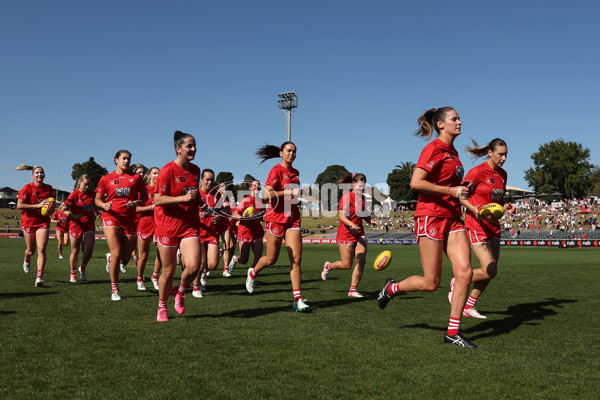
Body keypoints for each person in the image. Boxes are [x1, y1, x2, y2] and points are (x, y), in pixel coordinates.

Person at [376, 107, 477, 348]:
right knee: (431, 283)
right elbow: (416, 182)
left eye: (459, 118)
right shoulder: (433, 149)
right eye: (454, 119)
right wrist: (451, 190)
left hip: (452, 217)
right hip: (430, 217)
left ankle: (452, 332)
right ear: (441, 124)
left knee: (465, 273)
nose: (460, 122)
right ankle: (392, 287)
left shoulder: (453, 153)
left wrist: (463, 189)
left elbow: (449, 185)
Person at [447, 138, 515, 318]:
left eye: (506, 154)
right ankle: (457, 281)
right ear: (490, 153)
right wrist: (473, 209)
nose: (504, 158)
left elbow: (498, 201)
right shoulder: (477, 172)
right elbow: (461, 195)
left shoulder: (503, 175)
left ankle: (468, 307)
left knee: (491, 272)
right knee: (489, 269)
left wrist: (506, 207)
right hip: (476, 225)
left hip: (493, 225)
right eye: (500, 154)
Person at [246, 141, 309, 312]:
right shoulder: (275, 170)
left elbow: (293, 198)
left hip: (293, 218)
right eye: (289, 151)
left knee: (296, 259)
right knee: (271, 259)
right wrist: (290, 192)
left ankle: (297, 299)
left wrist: (302, 194)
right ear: (281, 153)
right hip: (275, 219)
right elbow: (266, 196)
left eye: (294, 151)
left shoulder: (295, 173)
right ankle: (252, 273)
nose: (292, 154)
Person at [154, 130, 202, 322]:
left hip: (189, 225)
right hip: (167, 226)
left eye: (194, 145)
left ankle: (180, 291)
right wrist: (183, 198)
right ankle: (162, 305)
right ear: (178, 149)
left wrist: (200, 202)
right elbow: (158, 199)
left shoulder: (196, 170)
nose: (193, 149)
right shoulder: (167, 170)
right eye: (189, 146)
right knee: (169, 270)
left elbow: (193, 196)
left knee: (193, 266)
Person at [95, 150, 148, 301]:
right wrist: (103, 205)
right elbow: (97, 199)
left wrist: (136, 202)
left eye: (128, 159)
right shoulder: (106, 178)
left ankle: (110, 258)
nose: (126, 161)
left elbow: (144, 197)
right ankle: (115, 289)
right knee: (117, 252)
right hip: (111, 216)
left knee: (124, 260)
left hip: (129, 219)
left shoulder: (136, 178)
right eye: (123, 158)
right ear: (116, 160)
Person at [321, 173, 374, 298]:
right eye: (360, 185)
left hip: (359, 232)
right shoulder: (346, 197)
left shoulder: (363, 199)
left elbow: (365, 215)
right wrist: (351, 225)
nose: (362, 188)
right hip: (346, 234)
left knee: (361, 261)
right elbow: (341, 216)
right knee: (347, 265)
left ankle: (352, 290)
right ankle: (329, 266)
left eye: (364, 185)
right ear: (354, 184)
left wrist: (371, 220)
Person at [17, 166, 55, 287]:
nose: (39, 175)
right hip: (28, 222)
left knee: (41, 248)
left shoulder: (49, 189)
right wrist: (36, 206)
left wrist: (50, 209)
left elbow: (51, 205)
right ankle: (27, 258)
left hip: (43, 222)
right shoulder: (27, 188)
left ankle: (39, 277)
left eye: (41, 173)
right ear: (32, 176)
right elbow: (19, 205)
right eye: (37, 173)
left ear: (44, 175)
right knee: (31, 250)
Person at [194, 169, 226, 295]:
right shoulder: (195, 193)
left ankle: (202, 274)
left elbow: (220, 211)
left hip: (212, 232)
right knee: (201, 262)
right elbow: (187, 212)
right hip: (198, 232)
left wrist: (219, 217)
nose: (209, 182)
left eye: (212, 180)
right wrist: (198, 215)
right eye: (207, 179)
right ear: (201, 179)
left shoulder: (216, 195)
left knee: (212, 265)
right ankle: (196, 287)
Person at [63, 174, 97, 282]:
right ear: (79, 183)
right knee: (75, 250)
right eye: (85, 184)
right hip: (76, 225)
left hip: (89, 224)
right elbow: (64, 209)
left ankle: (82, 267)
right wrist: (74, 216)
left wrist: (98, 213)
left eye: (89, 185)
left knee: (90, 249)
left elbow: (94, 205)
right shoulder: (74, 195)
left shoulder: (92, 195)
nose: (87, 187)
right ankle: (73, 272)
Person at [228, 180, 265, 275]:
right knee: (244, 260)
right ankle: (235, 260)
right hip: (245, 232)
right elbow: (235, 214)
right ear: (250, 188)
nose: (257, 186)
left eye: (258, 185)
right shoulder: (245, 201)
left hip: (257, 232)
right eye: (254, 185)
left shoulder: (262, 202)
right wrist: (244, 218)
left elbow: (262, 217)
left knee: (258, 257)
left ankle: (251, 274)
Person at [135, 167, 160, 291]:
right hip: (145, 224)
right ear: (149, 175)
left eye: (159, 173)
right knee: (143, 255)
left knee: (161, 253)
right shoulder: (144, 190)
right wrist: (150, 208)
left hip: (160, 225)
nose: (157, 175)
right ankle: (140, 278)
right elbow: (136, 209)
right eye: (154, 173)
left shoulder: (163, 190)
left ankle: (155, 276)